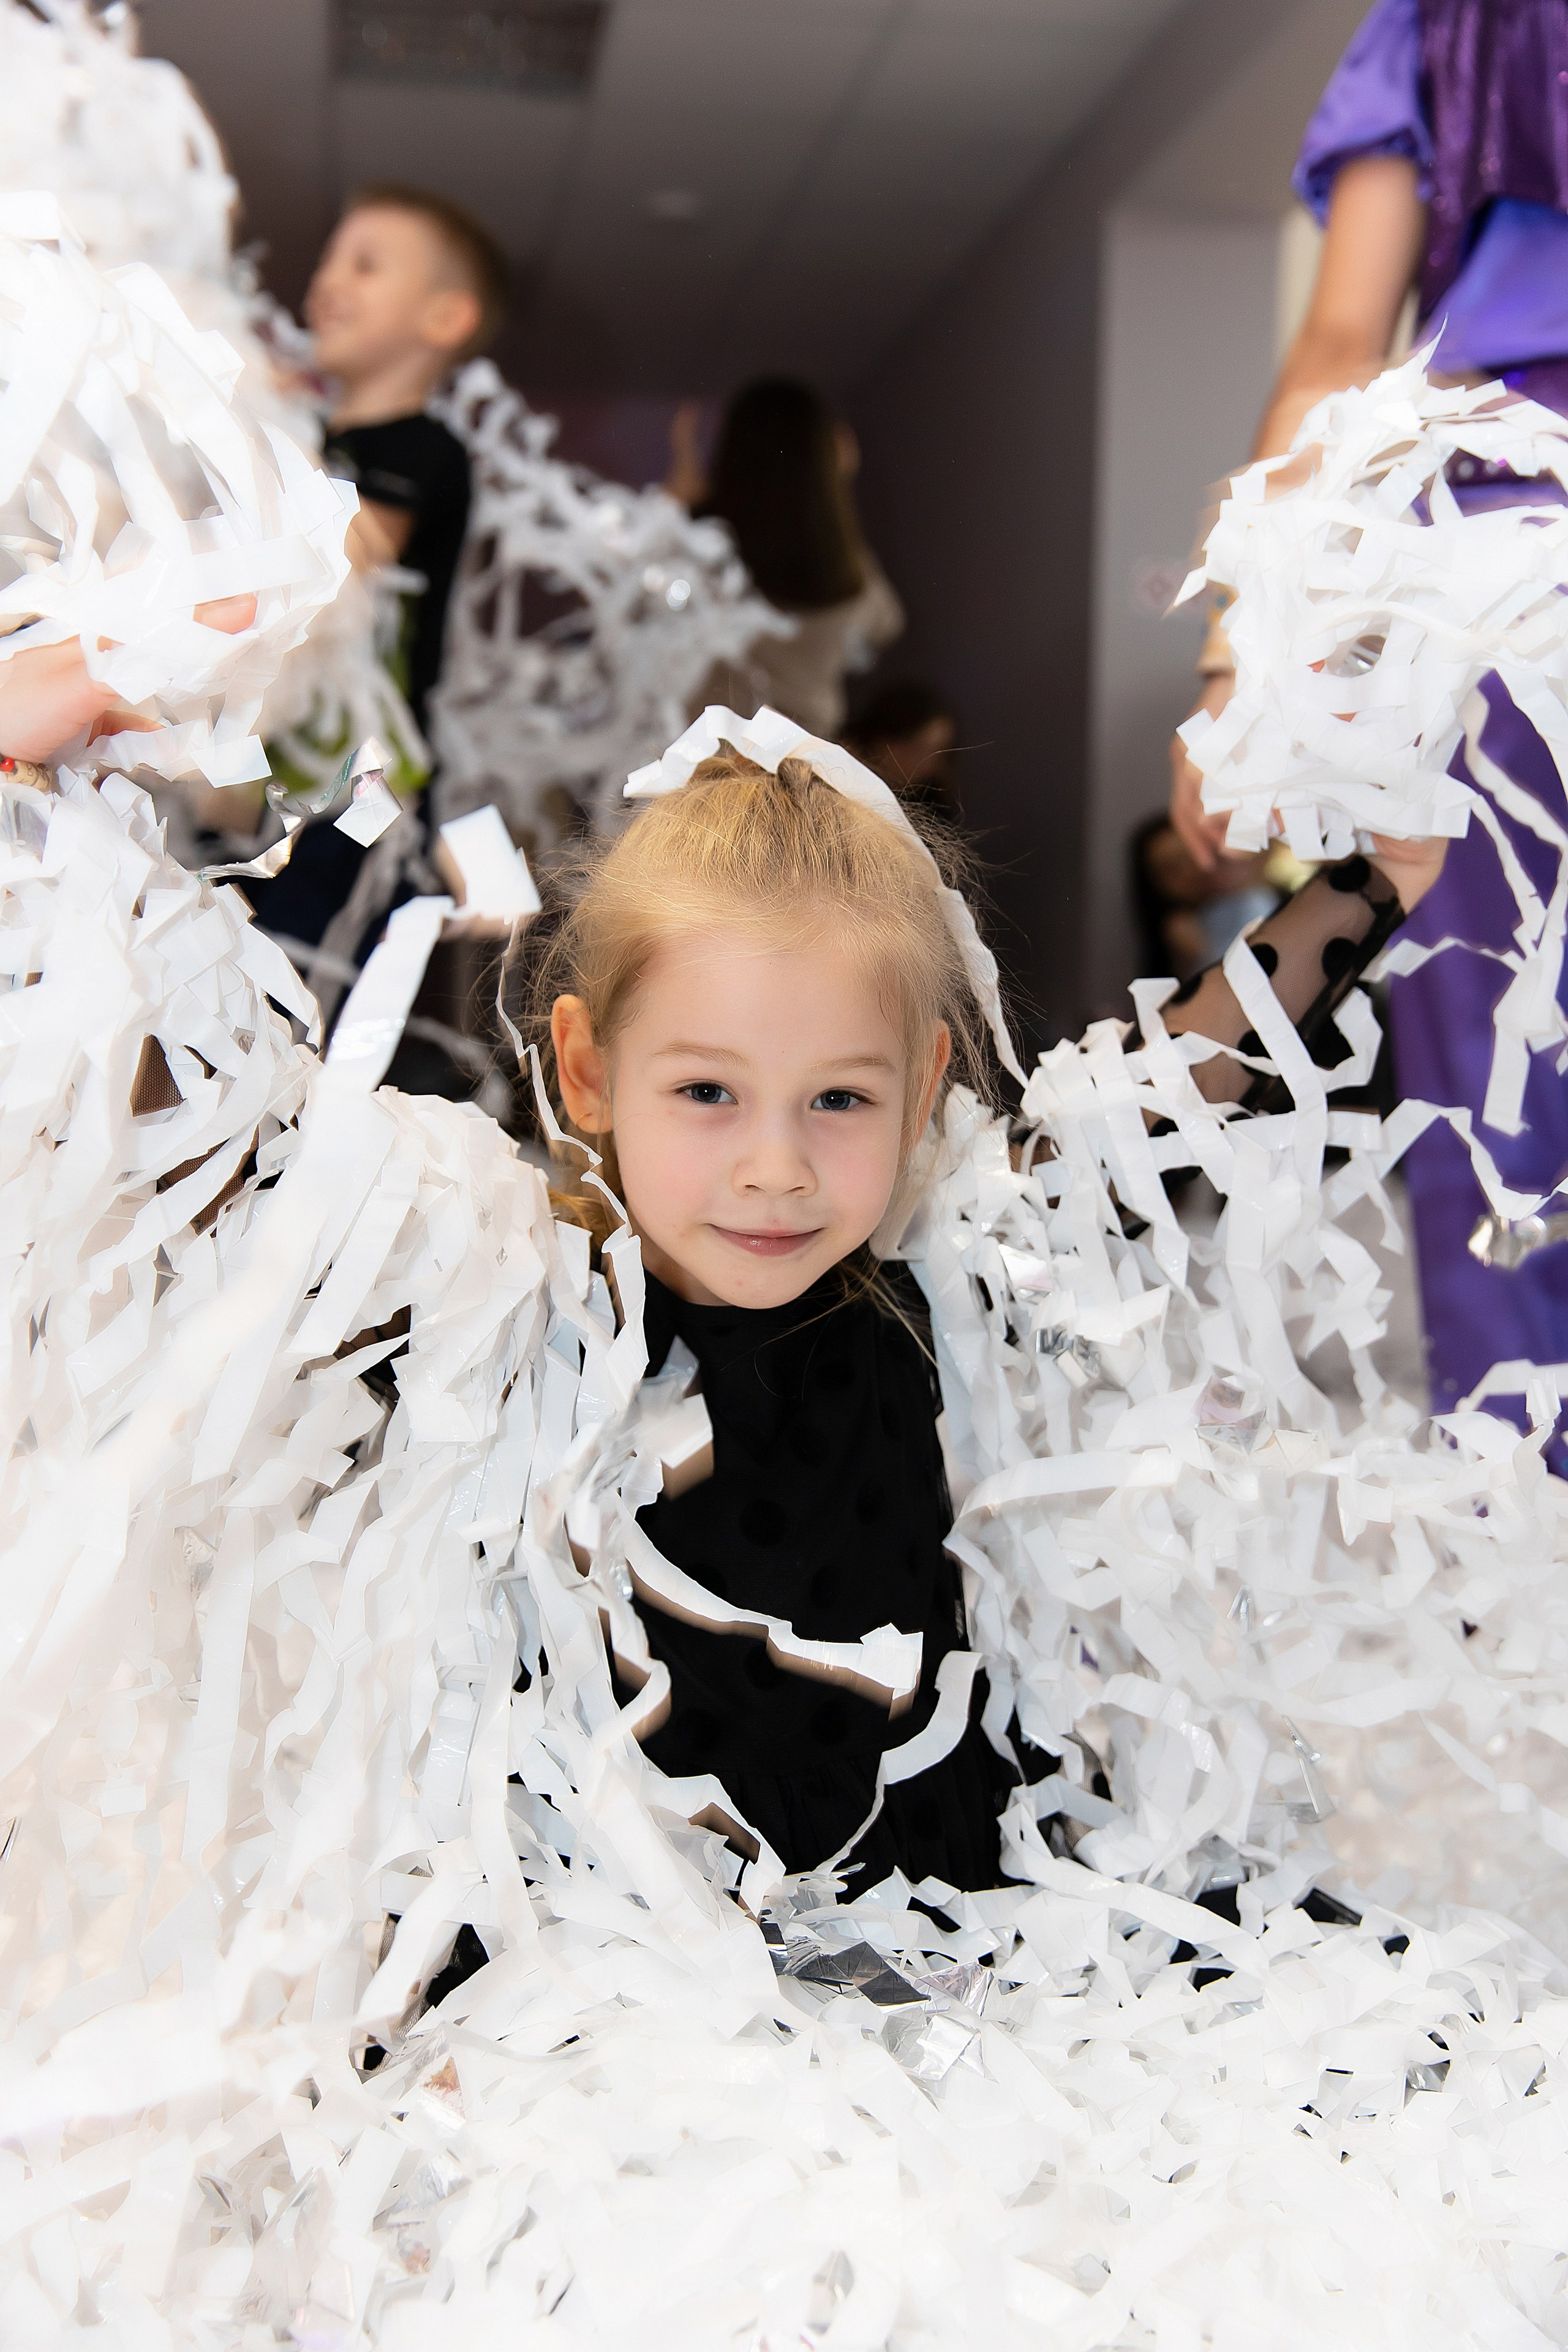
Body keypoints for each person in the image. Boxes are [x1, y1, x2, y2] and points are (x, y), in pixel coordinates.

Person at [536, 739, 1444, 1888]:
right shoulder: (514, 1318)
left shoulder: (934, 1273)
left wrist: (1382, 876)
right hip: (644, 1948)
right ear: (586, 1068)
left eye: (839, 1098)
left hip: (935, 1910)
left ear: (922, 1089)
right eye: (707, 1091)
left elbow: (1166, 1105)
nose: (777, 1166)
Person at [1167, 0, 1568, 1438]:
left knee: (1500, 1118)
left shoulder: (1445, 21)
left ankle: (1521, 1550)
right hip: (1511, 572)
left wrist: (1236, 669)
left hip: (1508, 574)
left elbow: (1341, 345)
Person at [246, 183, 509, 951]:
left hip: (366, 789)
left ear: (443, 318)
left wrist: (259, 429)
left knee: (298, 981)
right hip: (298, 774)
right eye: (330, 260)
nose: (329, 280)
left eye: (365, 265)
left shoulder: (422, 448)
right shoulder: (323, 442)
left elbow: (339, 569)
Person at [668, 379, 904, 739]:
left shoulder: (701, 546)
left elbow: (624, 622)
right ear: (824, 455)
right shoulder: (843, 561)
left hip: (707, 760)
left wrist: (675, 502)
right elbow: (882, 627)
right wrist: (837, 489)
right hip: (805, 765)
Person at [840, 676, 962, 825]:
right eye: (921, 751)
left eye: (940, 755)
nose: (931, 768)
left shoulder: (933, 809)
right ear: (885, 740)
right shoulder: (838, 767)